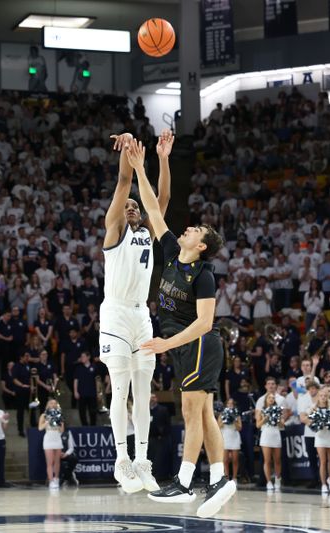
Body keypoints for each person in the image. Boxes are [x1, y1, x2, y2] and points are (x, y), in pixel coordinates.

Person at [127, 140, 236, 517]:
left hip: (202, 344)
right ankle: (220, 476)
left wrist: (165, 343)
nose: (187, 228)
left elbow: (205, 323)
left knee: (192, 413)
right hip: (187, 345)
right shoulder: (173, 252)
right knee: (203, 414)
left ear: (202, 246)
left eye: (195, 230)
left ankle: (186, 482)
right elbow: (154, 207)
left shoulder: (205, 275)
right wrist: (149, 164)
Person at [99, 131, 172, 493]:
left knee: (144, 392)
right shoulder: (114, 231)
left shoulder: (147, 230)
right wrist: (128, 150)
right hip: (114, 315)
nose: (132, 208)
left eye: (135, 207)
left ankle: (142, 460)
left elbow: (164, 197)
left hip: (142, 315)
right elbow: (125, 180)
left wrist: (163, 158)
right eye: (127, 206)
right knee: (120, 388)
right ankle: (121, 459)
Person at [257, 392, 283, 491]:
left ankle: (277, 479)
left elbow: (282, 425)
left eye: (273, 398)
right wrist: (265, 419)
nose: (271, 399)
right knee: (267, 460)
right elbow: (258, 425)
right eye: (269, 398)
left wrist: (278, 419)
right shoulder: (262, 410)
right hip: (266, 435)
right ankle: (268, 482)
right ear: (266, 399)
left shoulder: (278, 410)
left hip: (276, 434)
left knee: (277, 460)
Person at [39, 398, 65, 489]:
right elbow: (40, 428)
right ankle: (51, 481)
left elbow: (62, 430)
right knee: (50, 462)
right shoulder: (44, 415)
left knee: (57, 461)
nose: (53, 405)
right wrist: (47, 422)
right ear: (48, 405)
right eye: (51, 403)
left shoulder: (59, 415)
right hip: (48, 439)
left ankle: (56, 479)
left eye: (55, 403)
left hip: (57, 438)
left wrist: (59, 423)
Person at [217, 398, 241, 482]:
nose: (230, 405)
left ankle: (234, 478)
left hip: (234, 436)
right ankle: (226, 478)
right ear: (226, 405)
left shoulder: (236, 414)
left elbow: (239, 428)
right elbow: (218, 426)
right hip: (225, 437)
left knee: (235, 459)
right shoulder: (222, 414)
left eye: (232, 404)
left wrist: (233, 419)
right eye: (228, 403)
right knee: (225, 460)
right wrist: (225, 419)